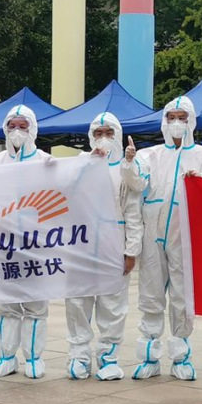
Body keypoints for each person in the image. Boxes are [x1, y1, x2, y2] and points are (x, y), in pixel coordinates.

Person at [134, 96, 202, 381]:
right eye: (171, 117)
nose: (176, 123)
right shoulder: (149, 155)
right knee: (150, 295)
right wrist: (127, 164)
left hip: (185, 235)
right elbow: (135, 185)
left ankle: (181, 357)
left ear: (191, 121)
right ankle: (149, 356)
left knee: (182, 297)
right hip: (152, 233)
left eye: (182, 118)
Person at [65, 112, 145, 381]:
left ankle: (109, 358)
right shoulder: (78, 165)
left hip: (114, 243)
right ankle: (79, 357)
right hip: (81, 243)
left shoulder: (125, 170)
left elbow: (133, 212)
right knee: (78, 302)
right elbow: (61, 191)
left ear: (118, 136)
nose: (103, 138)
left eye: (109, 133)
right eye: (98, 133)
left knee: (113, 304)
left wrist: (131, 250)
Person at [0, 104, 53, 380]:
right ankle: (7, 358)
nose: (17, 131)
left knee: (36, 306)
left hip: (37, 246)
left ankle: (34, 358)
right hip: (2, 247)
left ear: (33, 128)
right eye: (12, 126)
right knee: (7, 306)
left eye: (23, 126)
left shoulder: (46, 162)